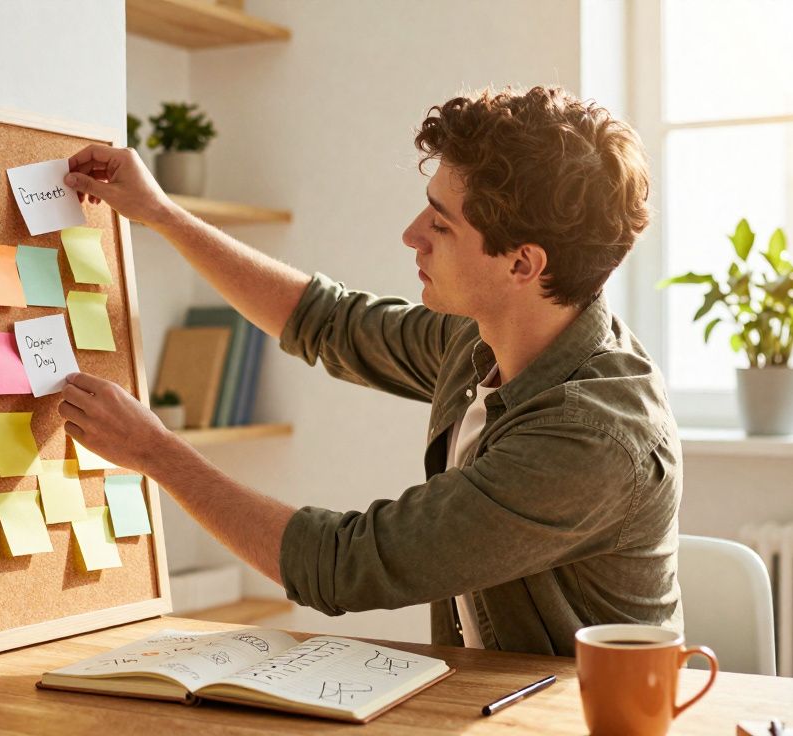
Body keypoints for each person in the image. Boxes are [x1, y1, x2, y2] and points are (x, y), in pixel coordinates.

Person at [57, 85, 681, 656]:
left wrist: (155, 453)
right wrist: (160, 213)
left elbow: (345, 565)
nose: (412, 235)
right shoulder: (484, 339)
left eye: (441, 224)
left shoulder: (589, 438)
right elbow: (328, 321)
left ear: (522, 264)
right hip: (487, 703)